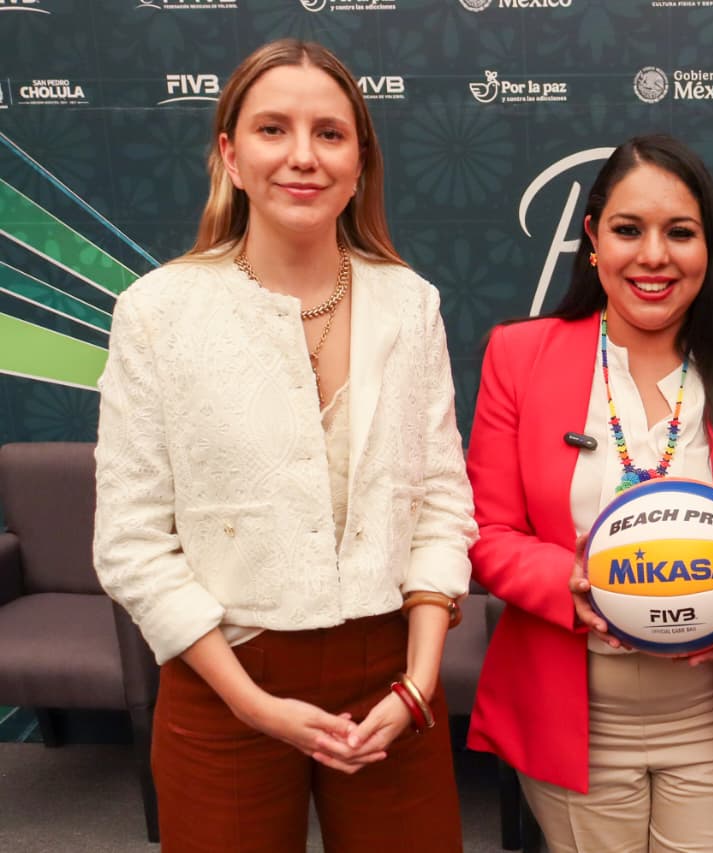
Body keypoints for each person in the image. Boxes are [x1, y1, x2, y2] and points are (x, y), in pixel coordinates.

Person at [93, 39, 476, 852]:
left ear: (360, 158)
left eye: (330, 134)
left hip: (394, 676)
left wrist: (419, 681)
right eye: (273, 129)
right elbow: (131, 541)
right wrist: (249, 702)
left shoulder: (411, 305)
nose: (302, 156)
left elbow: (442, 501)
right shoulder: (157, 312)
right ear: (231, 155)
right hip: (223, 676)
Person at [465, 134, 713, 853]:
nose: (653, 255)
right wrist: (570, 581)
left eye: (680, 232)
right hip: (576, 723)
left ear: (711, 247)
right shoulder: (519, 355)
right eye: (629, 229)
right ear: (593, 239)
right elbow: (487, 533)